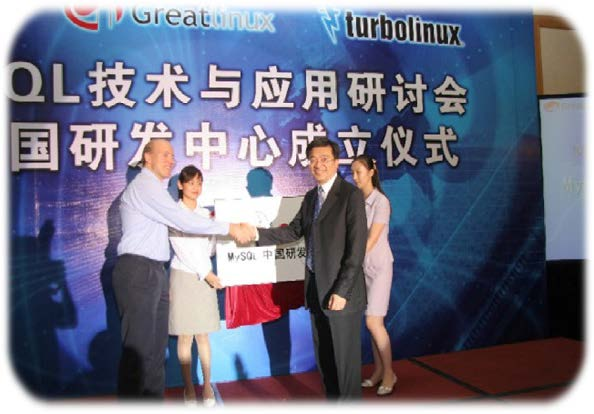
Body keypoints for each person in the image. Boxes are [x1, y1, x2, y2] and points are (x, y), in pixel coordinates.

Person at [112, 139, 254, 398]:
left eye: (172, 155)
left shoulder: (156, 190)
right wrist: (231, 228)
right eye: (164, 155)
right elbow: (182, 221)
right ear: (147, 157)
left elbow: (194, 230)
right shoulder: (145, 186)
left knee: (156, 352)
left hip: (155, 272)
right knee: (139, 352)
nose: (171, 160)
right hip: (138, 271)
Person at [256, 138, 367, 399]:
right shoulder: (310, 198)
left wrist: (341, 291)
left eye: (324, 159)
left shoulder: (350, 196)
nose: (318, 164)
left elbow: (356, 250)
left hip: (341, 294)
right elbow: (293, 232)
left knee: (345, 365)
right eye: (313, 160)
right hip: (316, 289)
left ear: (336, 162)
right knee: (326, 359)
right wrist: (254, 233)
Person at [168, 165, 222, 407]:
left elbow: (209, 250)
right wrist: (207, 274)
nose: (195, 188)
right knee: (185, 335)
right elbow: (182, 249)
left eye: (199, 183)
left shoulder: (204, 214)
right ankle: (189, 388)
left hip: (204, 276)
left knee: (203, 335)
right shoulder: (173, 213)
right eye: (191, 183)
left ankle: (207, 386)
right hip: (184, 276)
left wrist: (215, 231)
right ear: (180, 185)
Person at [350, 154, 396, 396]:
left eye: (358, 172)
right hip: (363, 269)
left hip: (379, 268)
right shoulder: (357, 201)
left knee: (373, 321)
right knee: (371, 323)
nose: (355, 177)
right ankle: (378, 371)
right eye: (352, 172)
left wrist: (350, 262)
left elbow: (372, 239)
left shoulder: (381, 202)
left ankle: (389, 373)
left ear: (371, 172)